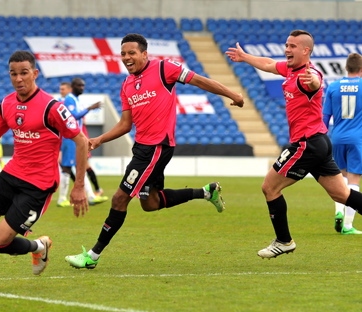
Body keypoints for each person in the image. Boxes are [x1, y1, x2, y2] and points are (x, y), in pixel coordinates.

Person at [64, 33, 244, 269]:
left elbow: (198, 80)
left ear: (144, 54)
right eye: (123, 54)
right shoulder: (127, 85)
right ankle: (206, 192)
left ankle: (92, 256)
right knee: (150, 203)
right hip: (142, 147)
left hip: (156, 147)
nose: (127, 58)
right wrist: (99, 139)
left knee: (119, 199)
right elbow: (125, 125)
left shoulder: (163, 69)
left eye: (132, 53)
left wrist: (233, 94)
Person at [0, 50, 89, 290]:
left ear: (35, 73)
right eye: (13, 73)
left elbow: (81, 141)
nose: (18, 78)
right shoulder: (7, 104)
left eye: (24, 73)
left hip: (38, 185)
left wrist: (79, 185)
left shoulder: (52, 107)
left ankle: (39, 247)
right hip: (11, 175)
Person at [226, 30, 362, 259]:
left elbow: (316, 84)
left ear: (306, 51)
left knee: (270, 187)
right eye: (286, 45)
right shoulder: (290, 70)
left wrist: (315, 82)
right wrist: (245, 57)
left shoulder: (308, 75)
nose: (287, 49)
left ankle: (284, 241)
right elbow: (269, 64)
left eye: (292, 46)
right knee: (342, 194)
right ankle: (283, 240)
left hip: (306, 144)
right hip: (319, 143)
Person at [323, 52, 362, 235]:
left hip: (337, 137)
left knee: (341, 179)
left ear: (346, 67)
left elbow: (325, 117)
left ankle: (338, 210)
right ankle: (347, 225)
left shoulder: (333, 86)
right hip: (357, 139)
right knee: (354, 180)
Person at [57, 77, 108, 207]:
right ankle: (62, 198)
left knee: (79, 166)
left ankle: (89, 196)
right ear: (73, 87)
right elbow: (73, 116)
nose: (82, 88)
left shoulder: (76, 100)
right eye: (80, 86)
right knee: (69, 168)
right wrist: (90, 108)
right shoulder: (69, 99)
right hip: (69, 138)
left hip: (76, 137)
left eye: (83, 86)